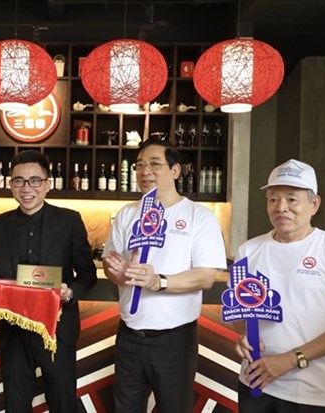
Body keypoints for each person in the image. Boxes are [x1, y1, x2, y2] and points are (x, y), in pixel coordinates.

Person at [102, 137, 227, 412]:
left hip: (174, 339)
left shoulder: (199, 216)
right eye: (139, 165)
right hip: (129, 336)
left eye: (155, 164)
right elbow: (111, 266)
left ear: (175, 170)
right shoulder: (127, 214)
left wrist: (158, 281)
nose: (145, 171)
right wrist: (120, 274)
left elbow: (206, 276)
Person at [0, 150, 97, 412]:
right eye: (19, 181)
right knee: (16, 403)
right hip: (14, 328)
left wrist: (70, 292)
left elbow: (88, 273)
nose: (26, 188)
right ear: (10, 184)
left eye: (34, 180)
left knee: (63, 401)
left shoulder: (69, 220)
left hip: (57, 328)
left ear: (47, 184)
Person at [235, 159, 325, 412]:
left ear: (314, 204)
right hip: (254, 384)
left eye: (292, 199)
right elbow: (241, 313)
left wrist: (289, 360)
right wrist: (243, 333)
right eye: (273, 199)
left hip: (312, 394)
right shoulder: (248, 251)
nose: (281, 207)